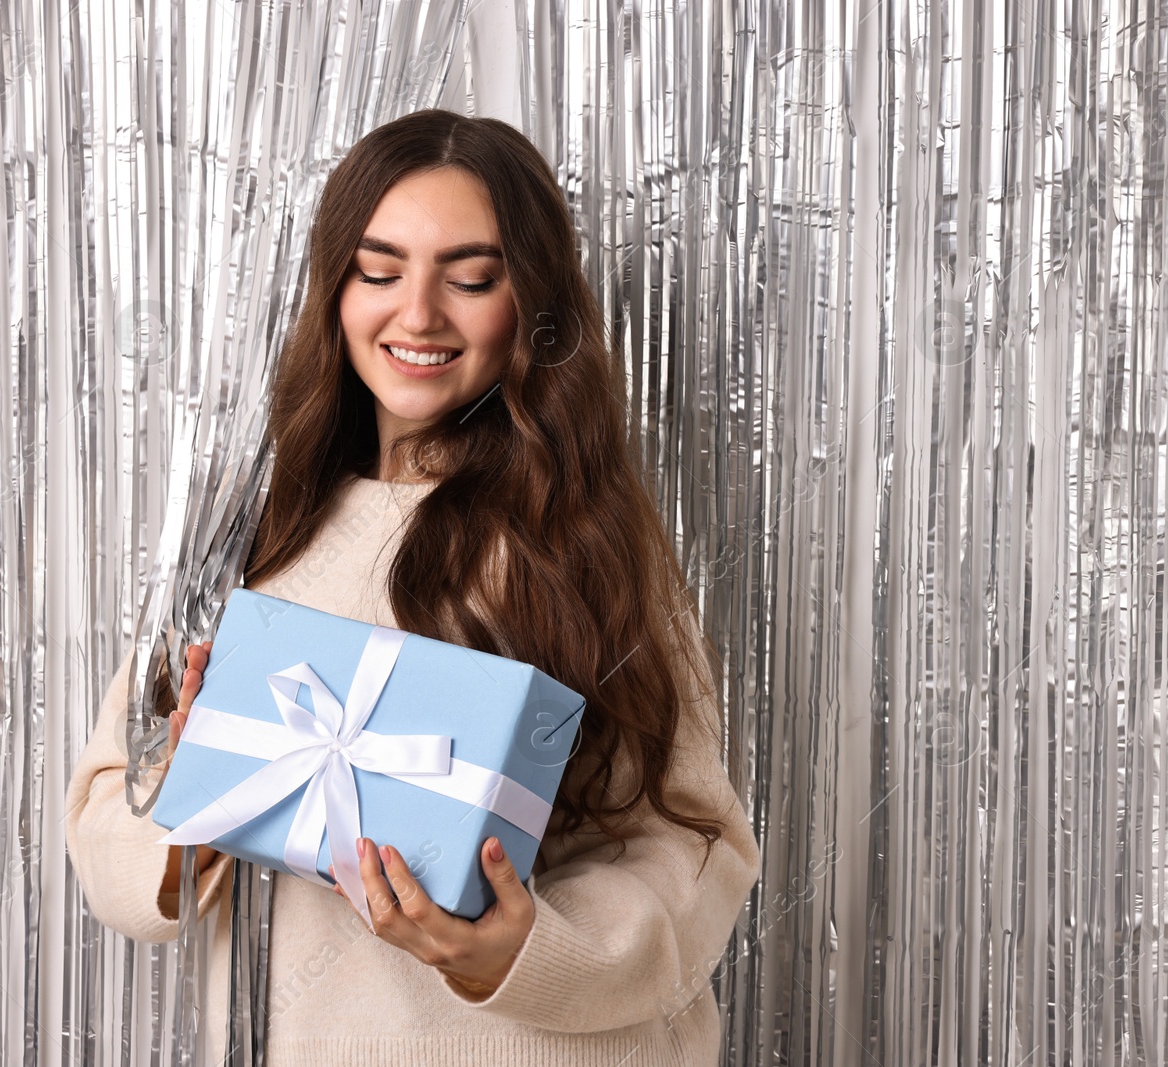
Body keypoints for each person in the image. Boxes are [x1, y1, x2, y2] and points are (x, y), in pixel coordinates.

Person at [64, 109, 761, 1066]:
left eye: (471, 278)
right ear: (334, 290)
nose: (420, 314)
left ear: (530, 304)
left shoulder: (582, 541)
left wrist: (523, 950)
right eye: (380, 271)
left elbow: (692, 843)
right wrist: (195, 808)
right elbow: (107, 808)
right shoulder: (246, 538)